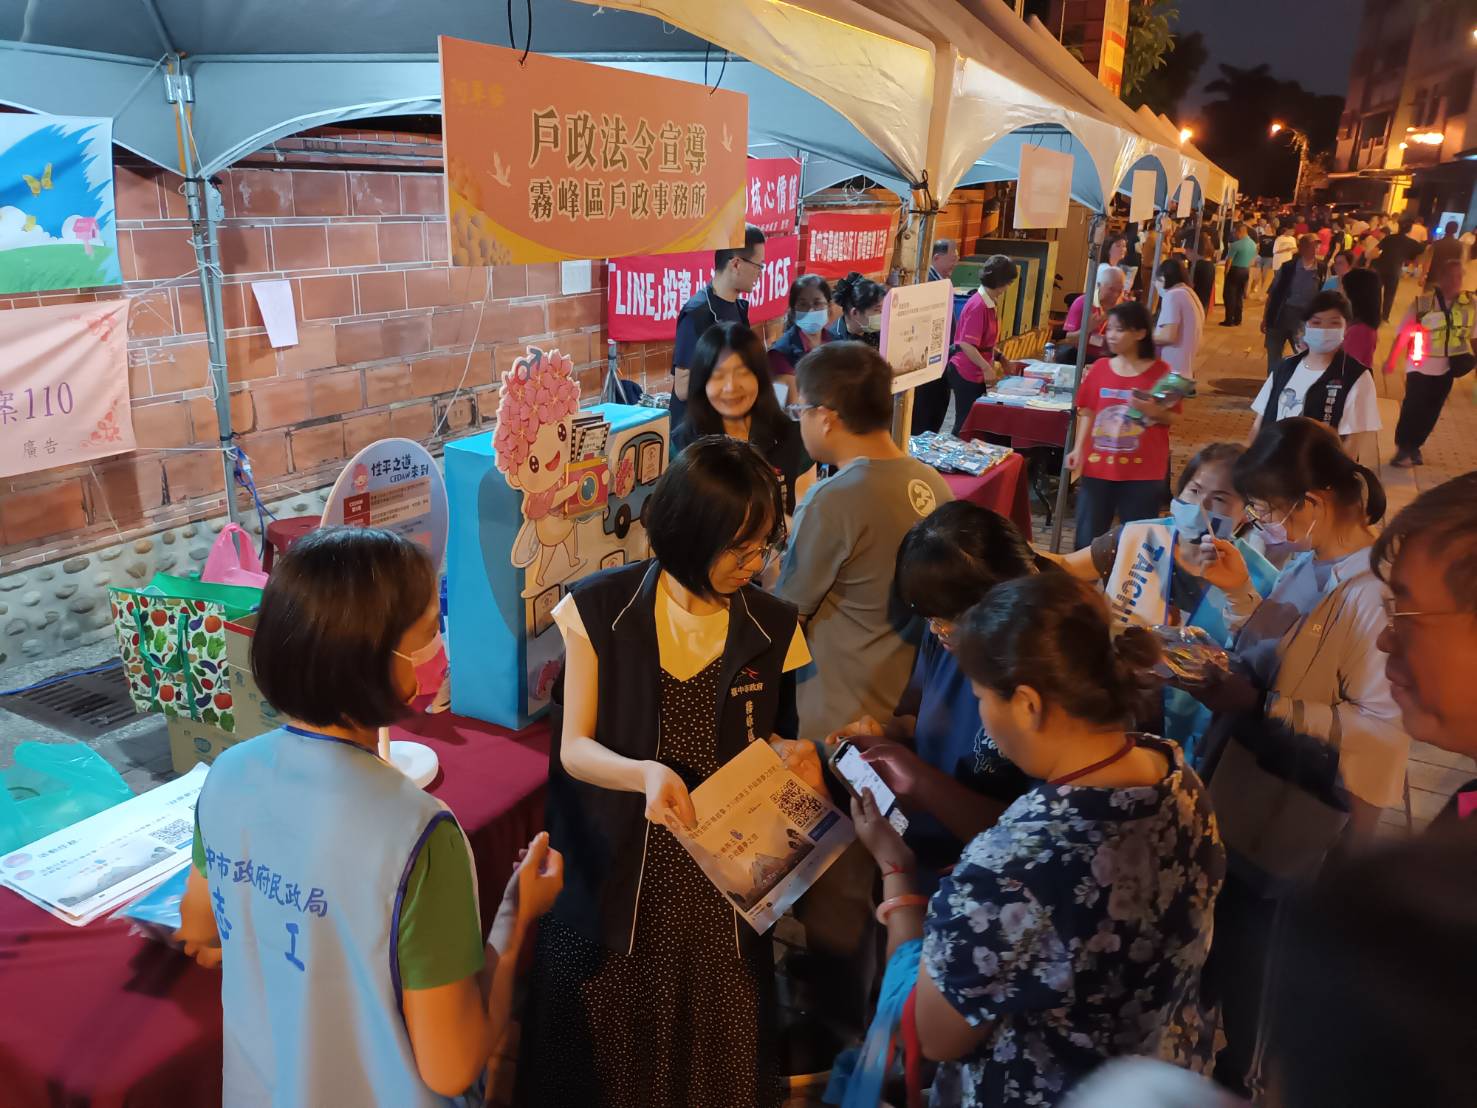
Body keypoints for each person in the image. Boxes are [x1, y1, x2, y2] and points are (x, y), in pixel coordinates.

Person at [175, 527, 563, 1106]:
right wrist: (514, 917)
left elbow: (199, 925)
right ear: (372, 657)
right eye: (428, 630)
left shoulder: (227, 774)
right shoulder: (417, 832)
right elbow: (453, 1066)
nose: (440, 646)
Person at [847, 572, 1225, 1107]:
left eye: (982, 697)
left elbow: (932, 1034)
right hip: (1159, 1083)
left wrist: (896, 872)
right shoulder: (1177, 777)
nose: (983, 717)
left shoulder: (1013, 862)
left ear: (1027, 703)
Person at [518, 437, 812, 1108]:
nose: (755, 564)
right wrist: (645, 774)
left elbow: (774, 735)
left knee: (715, 1045)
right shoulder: (596, 608)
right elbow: (574, 748)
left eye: (763, 546)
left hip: (723, 877)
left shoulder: (774, 624)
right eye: (738, 549)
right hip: (617, 867)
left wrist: (795, 759)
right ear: (687, 532)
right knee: (604, 1045)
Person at [1183, 418, 1407, 1097]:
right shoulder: (1310, 563)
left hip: (1304, 821)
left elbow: (1381, 730)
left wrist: (1262, 704)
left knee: (1261, 967)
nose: (1259, 524)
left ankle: (1244, 1081)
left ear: (1312, 502)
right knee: (1229, 942)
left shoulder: (1374, 596)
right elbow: (1281, 653)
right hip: (1253, 791)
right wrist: (1236, 595)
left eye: (1266, 509)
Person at [827, 503, 1042, 884]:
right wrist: (884, 737)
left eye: (947, 620)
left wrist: (921, 782)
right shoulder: (946, 636)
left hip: (987, 879)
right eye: (929, 618)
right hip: (918, 851)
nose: (936, 630)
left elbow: (1030, 839)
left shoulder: (1042, 677)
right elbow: (913, 714)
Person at [1047, 443, 1279, 761]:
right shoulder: (1138, 537)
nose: (1199, 506)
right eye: (1194, 490)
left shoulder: (1260, 581)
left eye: (1220, 499)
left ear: (1245, 514)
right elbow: (1065, 567)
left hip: (1188, 738)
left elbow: (1261, 669)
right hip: (1110, 712)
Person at [778, 341, 953, 741]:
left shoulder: (831, 499)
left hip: (837, 718)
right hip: (906, 708)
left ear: (825, 418)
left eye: (800, 411)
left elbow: (789, 615)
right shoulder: (932, 482)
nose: (799, 422)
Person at [1067, 301, 1180, 549]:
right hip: (1098, 467)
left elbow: (1172, 417)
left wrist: (1150, 410)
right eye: (1109, 329)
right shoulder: (1100, 368)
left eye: (1119, 329)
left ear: (1140, 333)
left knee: (1137, 543)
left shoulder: (1162, 372)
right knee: (1087, 540)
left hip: (1144, 472)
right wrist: (1078, 449)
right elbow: (1087, 411)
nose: (1111, 335)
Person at [673, 322, 815, 516]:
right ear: (702, 382)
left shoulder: (793, 437)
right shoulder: (680, 445)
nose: (731, 387)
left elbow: (805, 516)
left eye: (743, 373)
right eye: (718, 376)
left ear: (760, 377)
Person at [1251, 290, 1381, 462]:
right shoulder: (1285, 367)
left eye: (1334, 323)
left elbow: (1352, 442)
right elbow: (1258, 425)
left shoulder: (1355, 376)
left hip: (1318, 473)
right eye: (1316, 322)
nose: (1324, 329)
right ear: (1305, 326)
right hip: (1272, 468)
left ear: (1346, 328)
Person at [670, 223, 765, 429]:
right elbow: (682, 388)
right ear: (736, 264)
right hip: (695, 433)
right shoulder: (697, 313)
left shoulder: (738, 309)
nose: (760, 273)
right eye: (759, 266)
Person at [1385, 256, 1475, 467]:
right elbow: (1403, 333)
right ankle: (1403, 447)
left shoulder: (1470, 305)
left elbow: (1474, 336)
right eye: (1450, 276)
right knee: (1413, 408)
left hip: (1448, 369)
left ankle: (1415, 446)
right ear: (1441, 278)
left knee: (1432, 411)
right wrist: (1391, 359)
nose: (1454, 281)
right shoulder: (1423, 303)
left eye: (1458, 277)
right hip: (1419, 366)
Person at [946, 254, 1022, 433]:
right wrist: (986, 368)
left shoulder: (990, 303)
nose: (1007, 288)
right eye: (1008, 283)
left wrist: (1001, 358)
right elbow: (966, 344)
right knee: (965, 422)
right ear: (1001, 282)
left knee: (976, 420)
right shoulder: (978, 305)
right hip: (966, 371)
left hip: (979, 369)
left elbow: (985, 342)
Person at [1262, 233, 1324, 374]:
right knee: (1274, 354)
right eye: (1311, 245)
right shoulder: (1288, 267)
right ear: (1301, 248)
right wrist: (1265, 318)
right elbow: (1273, 294)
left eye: (1317, 245)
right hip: (1280, 315)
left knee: (1304, 355)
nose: (1315, 249)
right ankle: (1274, 382)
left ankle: (1299, 382)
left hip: (1304, 319)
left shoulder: (1322, 269)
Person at [767, 274, 832, 404]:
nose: (811, 310)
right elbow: (779, 405)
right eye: (803, 304)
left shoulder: (836, 343)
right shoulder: (779, 354)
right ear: (793, 311)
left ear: (829, 307)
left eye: (817, 303)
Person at [1154, 257, 1205, 380]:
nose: (1155, 284)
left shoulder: (1173, 296)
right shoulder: (1190, 293)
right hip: (1185, 370)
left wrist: (1142, 337)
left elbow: (1168, 336)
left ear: (1163, 278)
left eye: (1156, 280)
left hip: (1173, 371)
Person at [1061, 265, 1125, 361]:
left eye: (1120, 290)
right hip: (1082, 357)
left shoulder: (1123, 306)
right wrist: (1087, 329)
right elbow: (1069, 340)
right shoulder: (1083, 303)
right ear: (1099, 285)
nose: (1116, 295)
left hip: (1111, 359)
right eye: (1111, 289)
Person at [1369, 218, 1424, 322]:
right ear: (1409, 230)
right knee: (1390, 294)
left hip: (1381, 267)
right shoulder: (1411, 243)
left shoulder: (1389, 238)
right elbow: (1422, 251)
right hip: (1394, 270)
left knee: (1376, 292)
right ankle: (1385, 317)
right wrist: (1413, 264)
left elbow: (1375, 251)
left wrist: (1369, 263)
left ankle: (1374, 313)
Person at [828, 270, 887, 346]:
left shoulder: (874, 329)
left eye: (883, 308)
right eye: (877, 310)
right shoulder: (834, 342)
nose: (882, 314)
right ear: (855, 313)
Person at [1340, 266, 1382, 366]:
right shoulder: (1362, 323)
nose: (1342, 294)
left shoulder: (1359, 331)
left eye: (1345, 290)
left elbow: (1347, 366)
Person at [1222, 223, 1257, 326]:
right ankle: (1238, 319)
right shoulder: (1253, 244)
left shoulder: (1235, 245)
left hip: (1235, 270)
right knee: (1239, 295)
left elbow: (1229, 261)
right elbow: (1253, 260)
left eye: (1235, 232)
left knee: (1229, 295)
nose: (1235, 234)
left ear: (1239, 232)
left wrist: (1225, 273)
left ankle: (1229, 319)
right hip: (1245, 270)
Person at [1190, 233, 1216, 312]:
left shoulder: (1199, 265)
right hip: (1205, 299)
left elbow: (1191, 284)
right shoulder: (1210, 264)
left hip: (1196, 298)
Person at [1253, 221, 1278, 297]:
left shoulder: (1275, 238)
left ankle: (1262, 289)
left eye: (1268, 227)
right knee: (1257, 274)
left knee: (1264, 274)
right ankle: (1255, 286)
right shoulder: (1261, 237)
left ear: (1272, 228)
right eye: (1266, 227)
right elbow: (1257, 247)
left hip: (1269, 257)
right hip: (1260, 256)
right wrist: (1255, 255)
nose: (1267, 228)